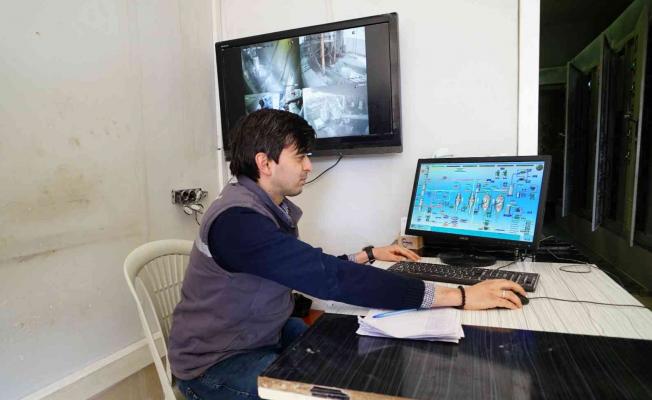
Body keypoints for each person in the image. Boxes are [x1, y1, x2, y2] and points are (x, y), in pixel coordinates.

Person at [168, 109, 526, 400]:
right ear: (265, 162)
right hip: (216, 364)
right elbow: (325, 277)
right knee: (336, 389)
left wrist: (368, 254)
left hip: (263, 334)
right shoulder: (238, 221)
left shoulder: (261, 206)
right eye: (300, 156)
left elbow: (302, 265)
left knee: (357, 356)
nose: (308, 166)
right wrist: (459, 296)